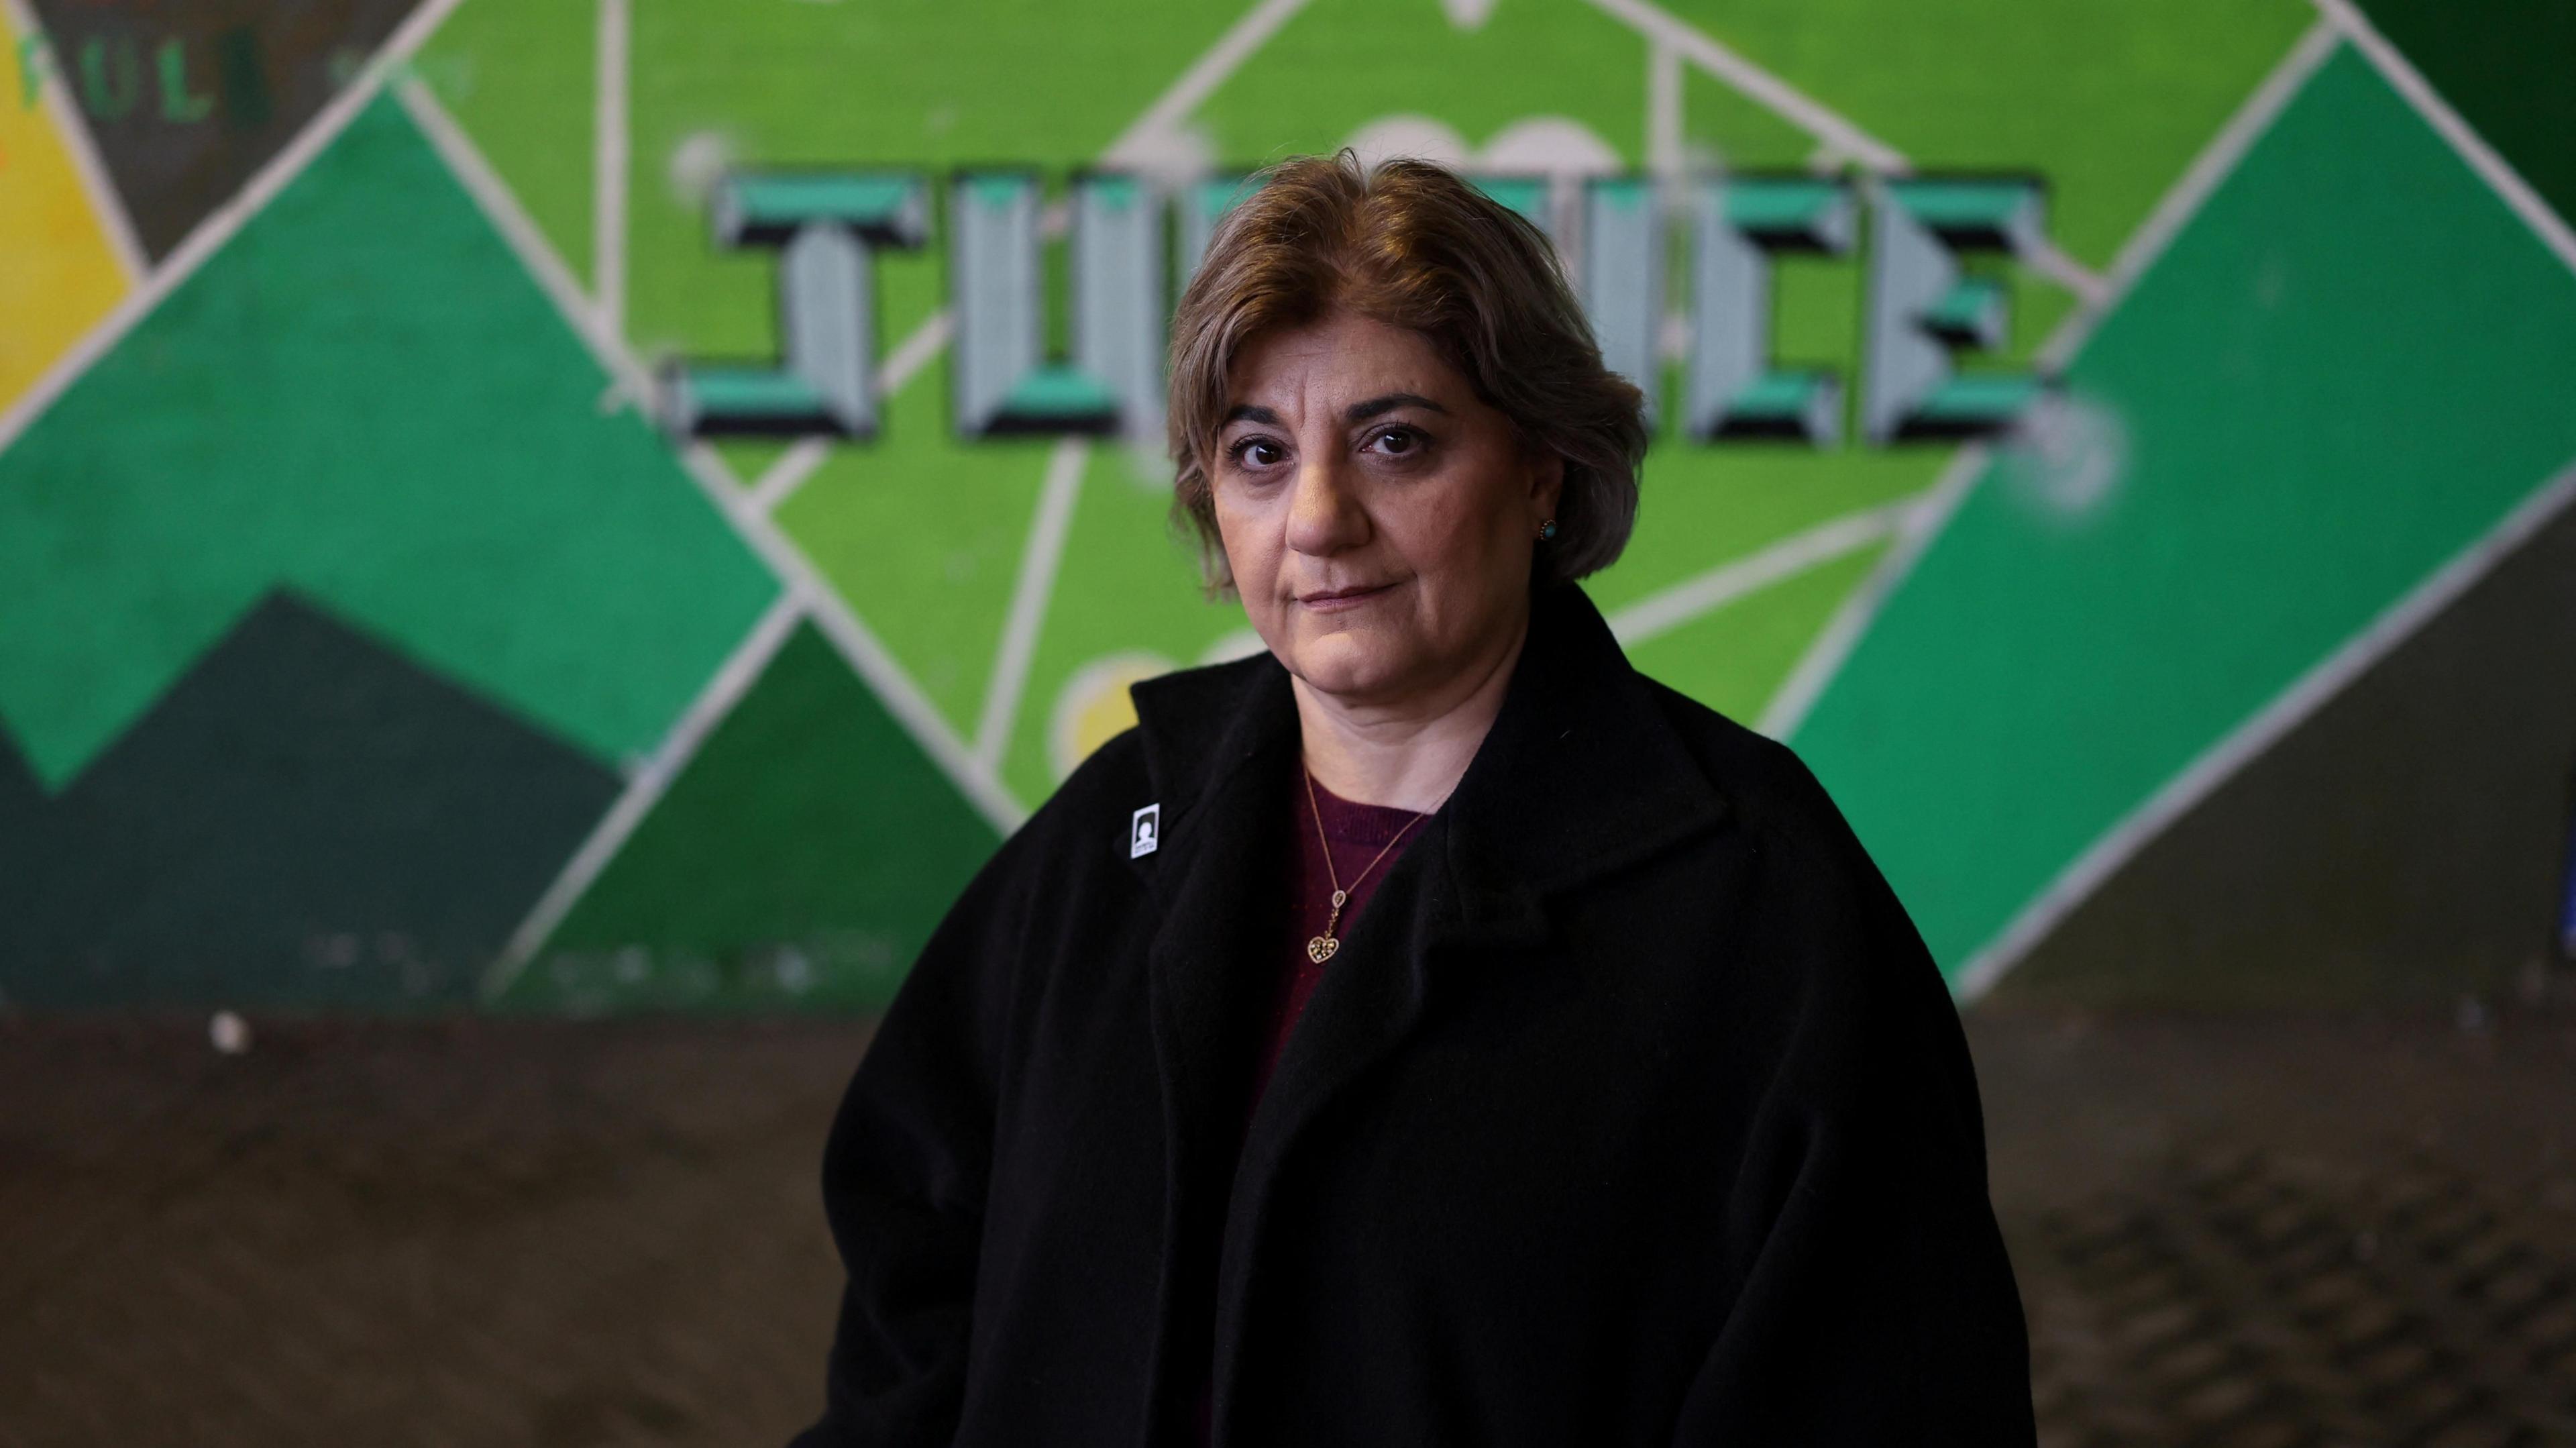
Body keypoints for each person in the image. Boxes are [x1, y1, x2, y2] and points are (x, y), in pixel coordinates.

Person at [790, 151, 2034, 1447]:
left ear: (1543, 470)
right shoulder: (1123, 829)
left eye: (1396, 442)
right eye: (1260, 452)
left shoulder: (1757, 896)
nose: (1319, 519)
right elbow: (913, 1242)